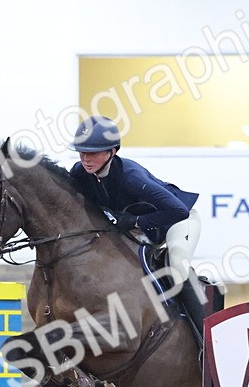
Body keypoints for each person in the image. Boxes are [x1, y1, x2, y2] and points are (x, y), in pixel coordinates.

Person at [68, 116, 206, 339]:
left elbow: (178, 210)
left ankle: (206, 339)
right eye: (82, 152)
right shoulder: (80, 173)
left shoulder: (130, 177)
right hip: (142, 232)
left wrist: (137, 222)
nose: (86, 159)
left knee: (177, 267)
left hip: (178, 222)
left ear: (112, 152)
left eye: (92, 153)